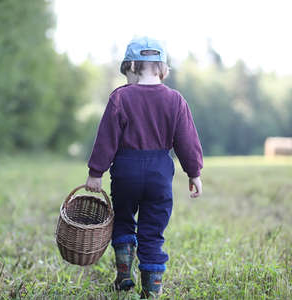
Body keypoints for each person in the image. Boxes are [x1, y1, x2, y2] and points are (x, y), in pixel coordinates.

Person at [84, 36, 203, 298]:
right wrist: (194, 173)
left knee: (123, 219)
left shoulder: (120, 98)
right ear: (161, 68)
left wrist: (96, 173)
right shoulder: (175, 100)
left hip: (126, 169)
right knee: (152, 231)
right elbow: (187, 141)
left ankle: (125, 275)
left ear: (133, 67)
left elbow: (106, 139)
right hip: (159, 173)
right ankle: (151, 291)